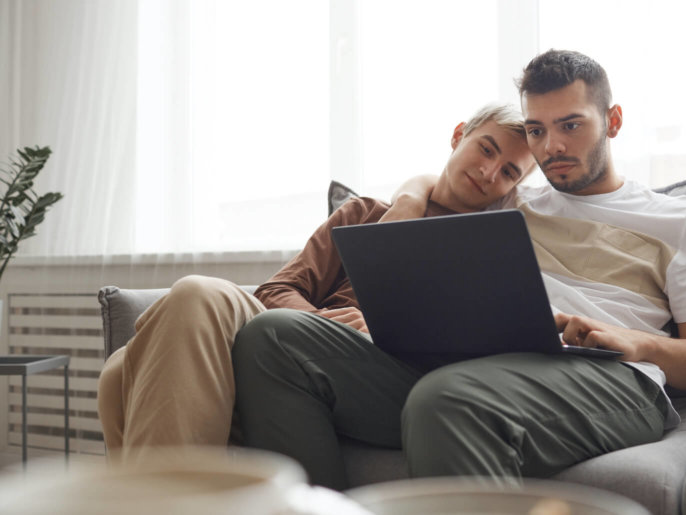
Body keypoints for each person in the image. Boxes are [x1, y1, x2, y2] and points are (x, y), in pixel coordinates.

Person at [231, 49, 686, 490]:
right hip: (478, 370)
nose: (552, 146)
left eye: (571, 125)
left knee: (447, 399)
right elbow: (446, 178)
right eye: (537, 130)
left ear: (614, 121)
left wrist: (633, 341)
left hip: (611, 377)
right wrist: (410, 197)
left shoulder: (676, 218)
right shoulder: (514, 198)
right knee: (273, 336)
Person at [96, 103, 536, 461]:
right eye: (487, 149)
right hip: (295, 332)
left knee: (125, 368)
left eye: (510, 172)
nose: (491, 171)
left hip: (367, 369)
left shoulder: (485, 248)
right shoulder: (365, 213)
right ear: (459, 135)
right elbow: (276, 291)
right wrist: (322, 322)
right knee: (191, 295)